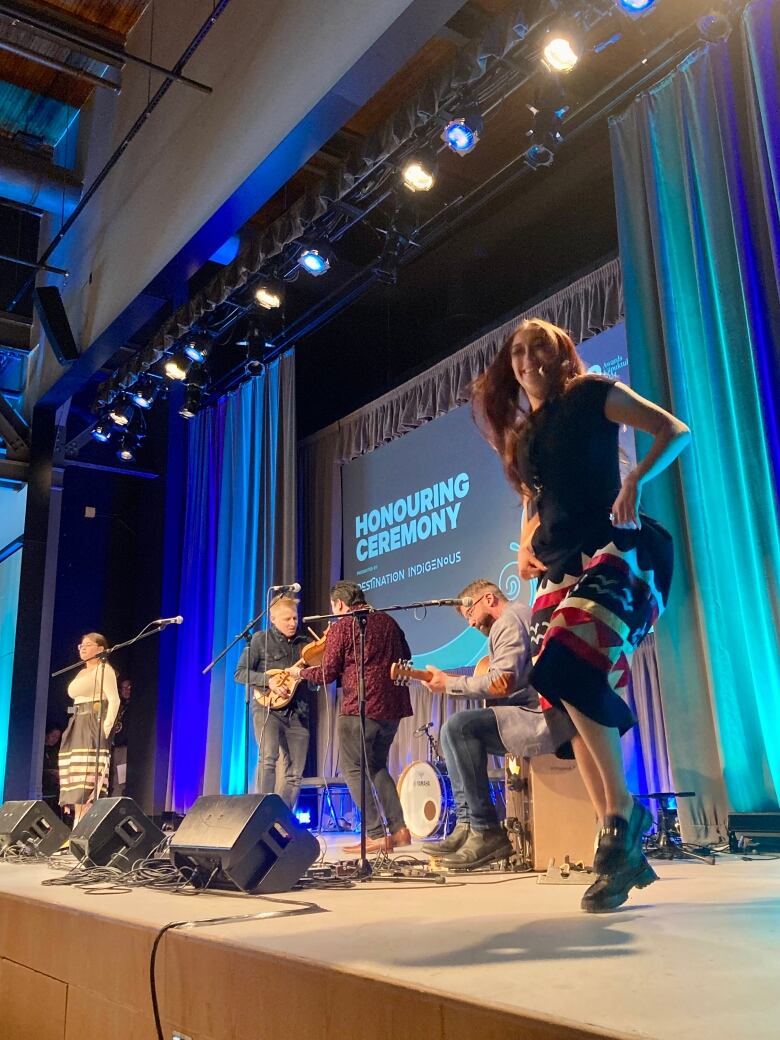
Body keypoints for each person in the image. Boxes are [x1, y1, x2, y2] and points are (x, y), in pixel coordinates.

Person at [472, 317, 690, 912]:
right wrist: (523, 544)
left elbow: (674, 430)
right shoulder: (524, 435)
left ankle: (624, 815)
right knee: (562, 697)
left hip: (621, 552)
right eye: (516, 352)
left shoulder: (591, 394)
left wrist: (637, 479)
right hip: (563, 568)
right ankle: (617, 847)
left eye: (537, 346)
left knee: (569, 667)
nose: (526, 359)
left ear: (560, 351)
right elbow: (534, 500)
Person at [420, 579, 576, 870]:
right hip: (535, 709)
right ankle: (467, 825)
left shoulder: (508, 621)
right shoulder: (517, 618)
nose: (471, 624)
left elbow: (503, 681)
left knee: (459, 728)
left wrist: (450, 683)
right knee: (453, 730)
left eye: (470, 614)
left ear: (488, 599)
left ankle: (486, 831)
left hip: (543, 717)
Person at [291, 581, 413, 854]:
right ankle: (399, 830)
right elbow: (406, 654)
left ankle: (375, 834)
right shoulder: (388, 622)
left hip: (360, 707)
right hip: (392, 708)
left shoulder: (343, 626)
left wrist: (300, 674)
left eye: (333, 607)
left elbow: (329, 671)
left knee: (353, 769)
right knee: (377, 767)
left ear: (340, 605)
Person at [234, 595, 314, 809]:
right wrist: (268, 681)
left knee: (295, 772)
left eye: (295, 618)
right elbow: (240, 673)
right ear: (273, 618)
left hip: (298, 712)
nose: (292, 623)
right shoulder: (260, 640)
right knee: (268, 758)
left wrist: (307, 675)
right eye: (287, 619)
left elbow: (316, 683)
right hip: (267, 709)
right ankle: (263, 812)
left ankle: (282, 818)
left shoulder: (305, 645)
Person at [59, 633, 120, 823]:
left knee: (88, 777)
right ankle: (77, 823)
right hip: (77, 721)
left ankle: (85, 826)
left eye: (87, 645)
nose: (82, 648)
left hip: (94, 721)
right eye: (80, 645)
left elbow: (114, 700)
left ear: (100, 649)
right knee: (75, 777)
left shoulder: (104, 669)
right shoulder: (81, 672)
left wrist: (106, 729)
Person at [109, 676, 132, 796]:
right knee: (111, 779)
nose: (126, 690)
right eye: (123, 688)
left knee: (120, 780)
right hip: (113, 747)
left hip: (124, 749)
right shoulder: (117, 705)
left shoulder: (133, 706)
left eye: (129, 687)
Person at [42, 724, 63, 816]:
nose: (55, 739)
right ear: (47, 734)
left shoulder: (55, 751)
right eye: (53, 736)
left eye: (57, 737)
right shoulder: (40, 749)